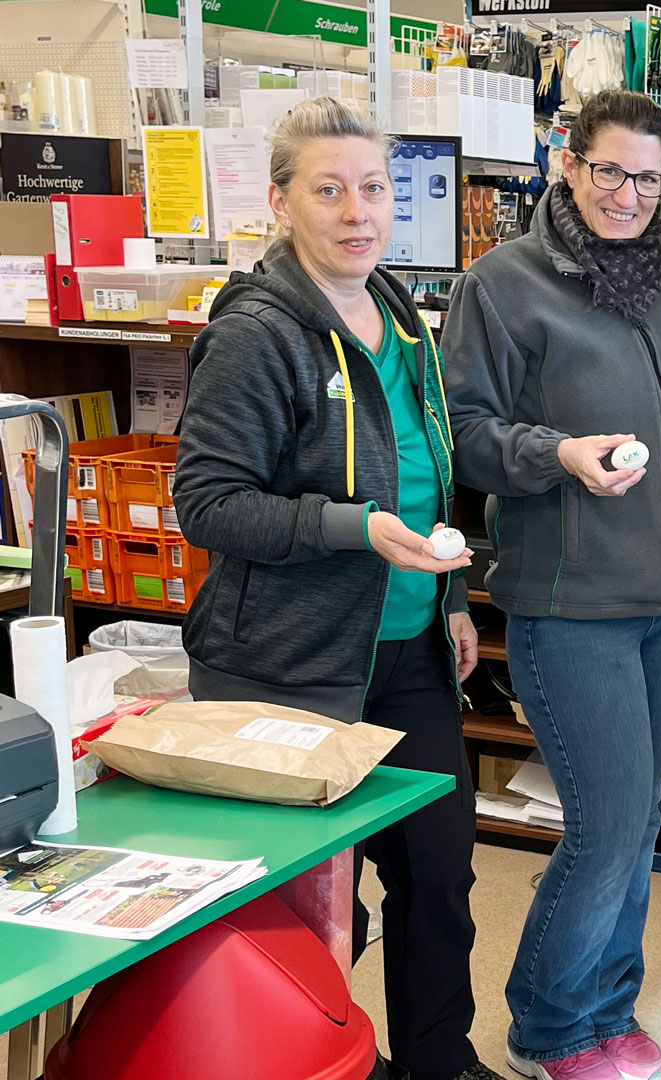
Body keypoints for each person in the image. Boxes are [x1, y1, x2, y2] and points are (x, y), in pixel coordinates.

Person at [174, 97, 494, 1080]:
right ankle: (319, 1063)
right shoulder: (257, 335)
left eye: (374, 188)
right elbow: (208, 504)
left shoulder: (401, 315)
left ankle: (437, 1061)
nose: (358, 212)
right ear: (281, 202)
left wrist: (450, 601)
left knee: (437, 873)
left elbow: (426, 472)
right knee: (315, 905)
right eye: (329, 190)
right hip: (289, 664)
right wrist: (352, 528)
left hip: (410, 653)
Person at [444, 88, 661, 1080]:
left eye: (648, 178)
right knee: (604, 828)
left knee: (638, 818)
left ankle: (606, 1008)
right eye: (610, 171)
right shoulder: (502, 285)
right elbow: (462, 434)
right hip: (573, 606)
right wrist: (559, 453)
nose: (628, 195)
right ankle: (549, 1028)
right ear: (569, 163)